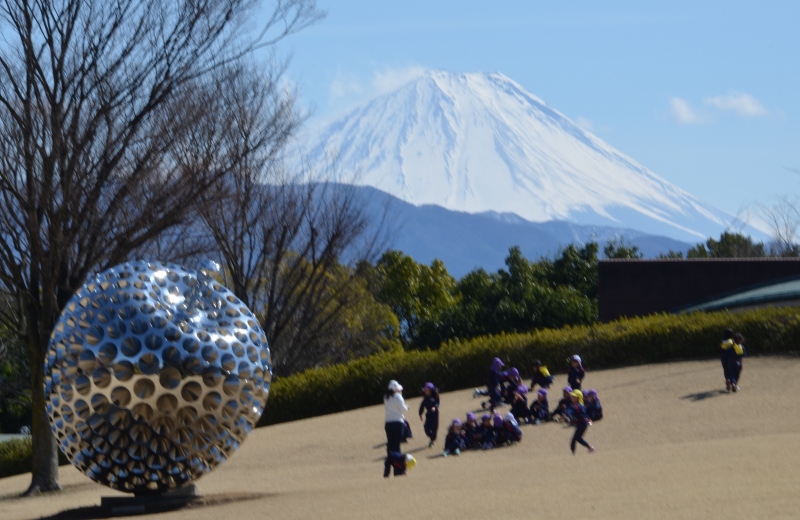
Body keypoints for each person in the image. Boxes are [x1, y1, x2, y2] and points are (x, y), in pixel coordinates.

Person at [384, 380, 408, 477]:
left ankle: (388, 469)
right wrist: (407, 407)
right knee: (396, 446)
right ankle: (398, 469)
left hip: (388, 423)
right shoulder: (398, 397)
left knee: (391, 446)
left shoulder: (385, 397)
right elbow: (403, 409)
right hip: (398, 423)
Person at [567, 389, 595, 454]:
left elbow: (570, 412)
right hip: (583, 423)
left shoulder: (575, 405)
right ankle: (590, 448)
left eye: (573, 396)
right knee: (578, 438)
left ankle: (572, 454)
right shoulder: (581, 405)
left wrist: (567, 415)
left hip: (582, 423)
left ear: (577, 398)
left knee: (574, 439)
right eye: (571, 396)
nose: (571, 397)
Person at [419, 382, 440, 447]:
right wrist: (420, 414)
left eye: (427, 390)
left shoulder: (435, 396)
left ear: (431, 390)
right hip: (428, 414)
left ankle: (432, 441)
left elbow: (437, 403)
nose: (425, 391)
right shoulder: (425, 398)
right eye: (425, 390)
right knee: (426, 428)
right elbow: (422, 406)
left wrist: (434, 407)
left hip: (435, 414)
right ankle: (432, 437)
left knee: (434, 427)